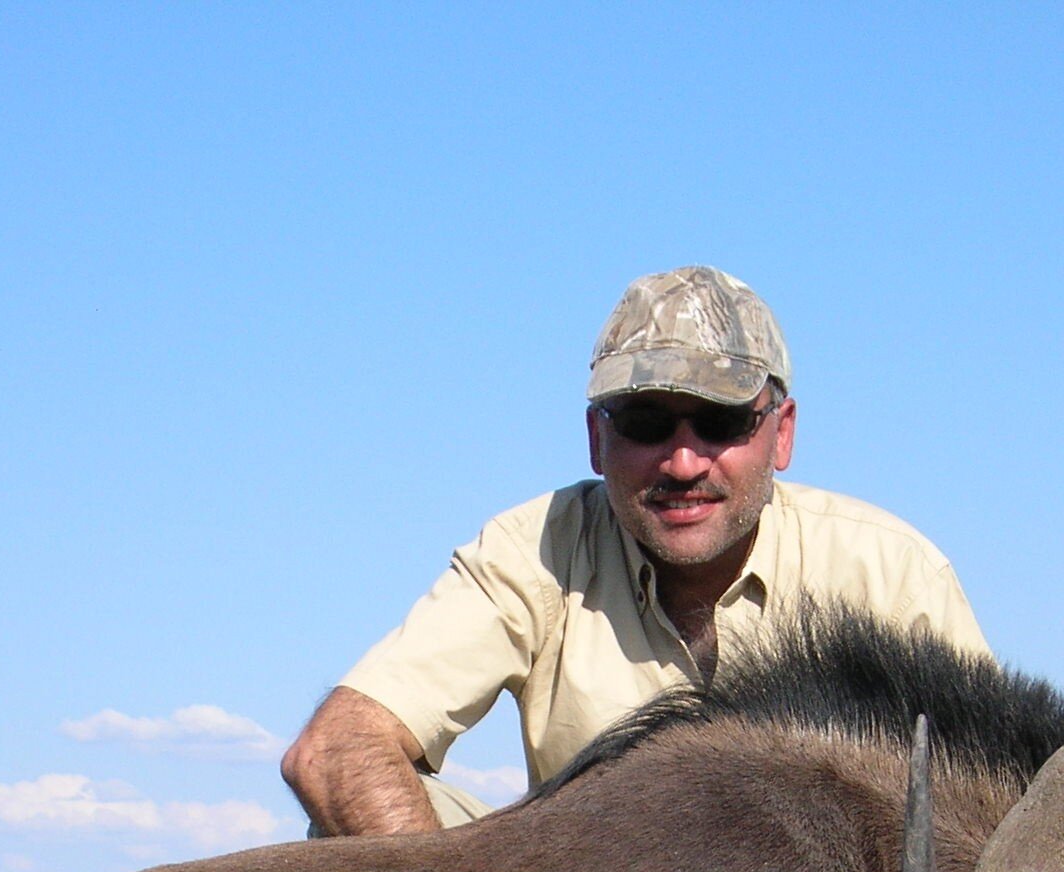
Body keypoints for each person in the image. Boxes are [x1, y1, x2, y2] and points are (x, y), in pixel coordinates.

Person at [281, 266, 992, 835]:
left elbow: (996, 808)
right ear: (597, 439)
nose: (683, 463)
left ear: (782, 434)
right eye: (646, 422)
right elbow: (334, 750)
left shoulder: (892, 576)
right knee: (345, 840)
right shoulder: (533, 550)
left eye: (718, 422)